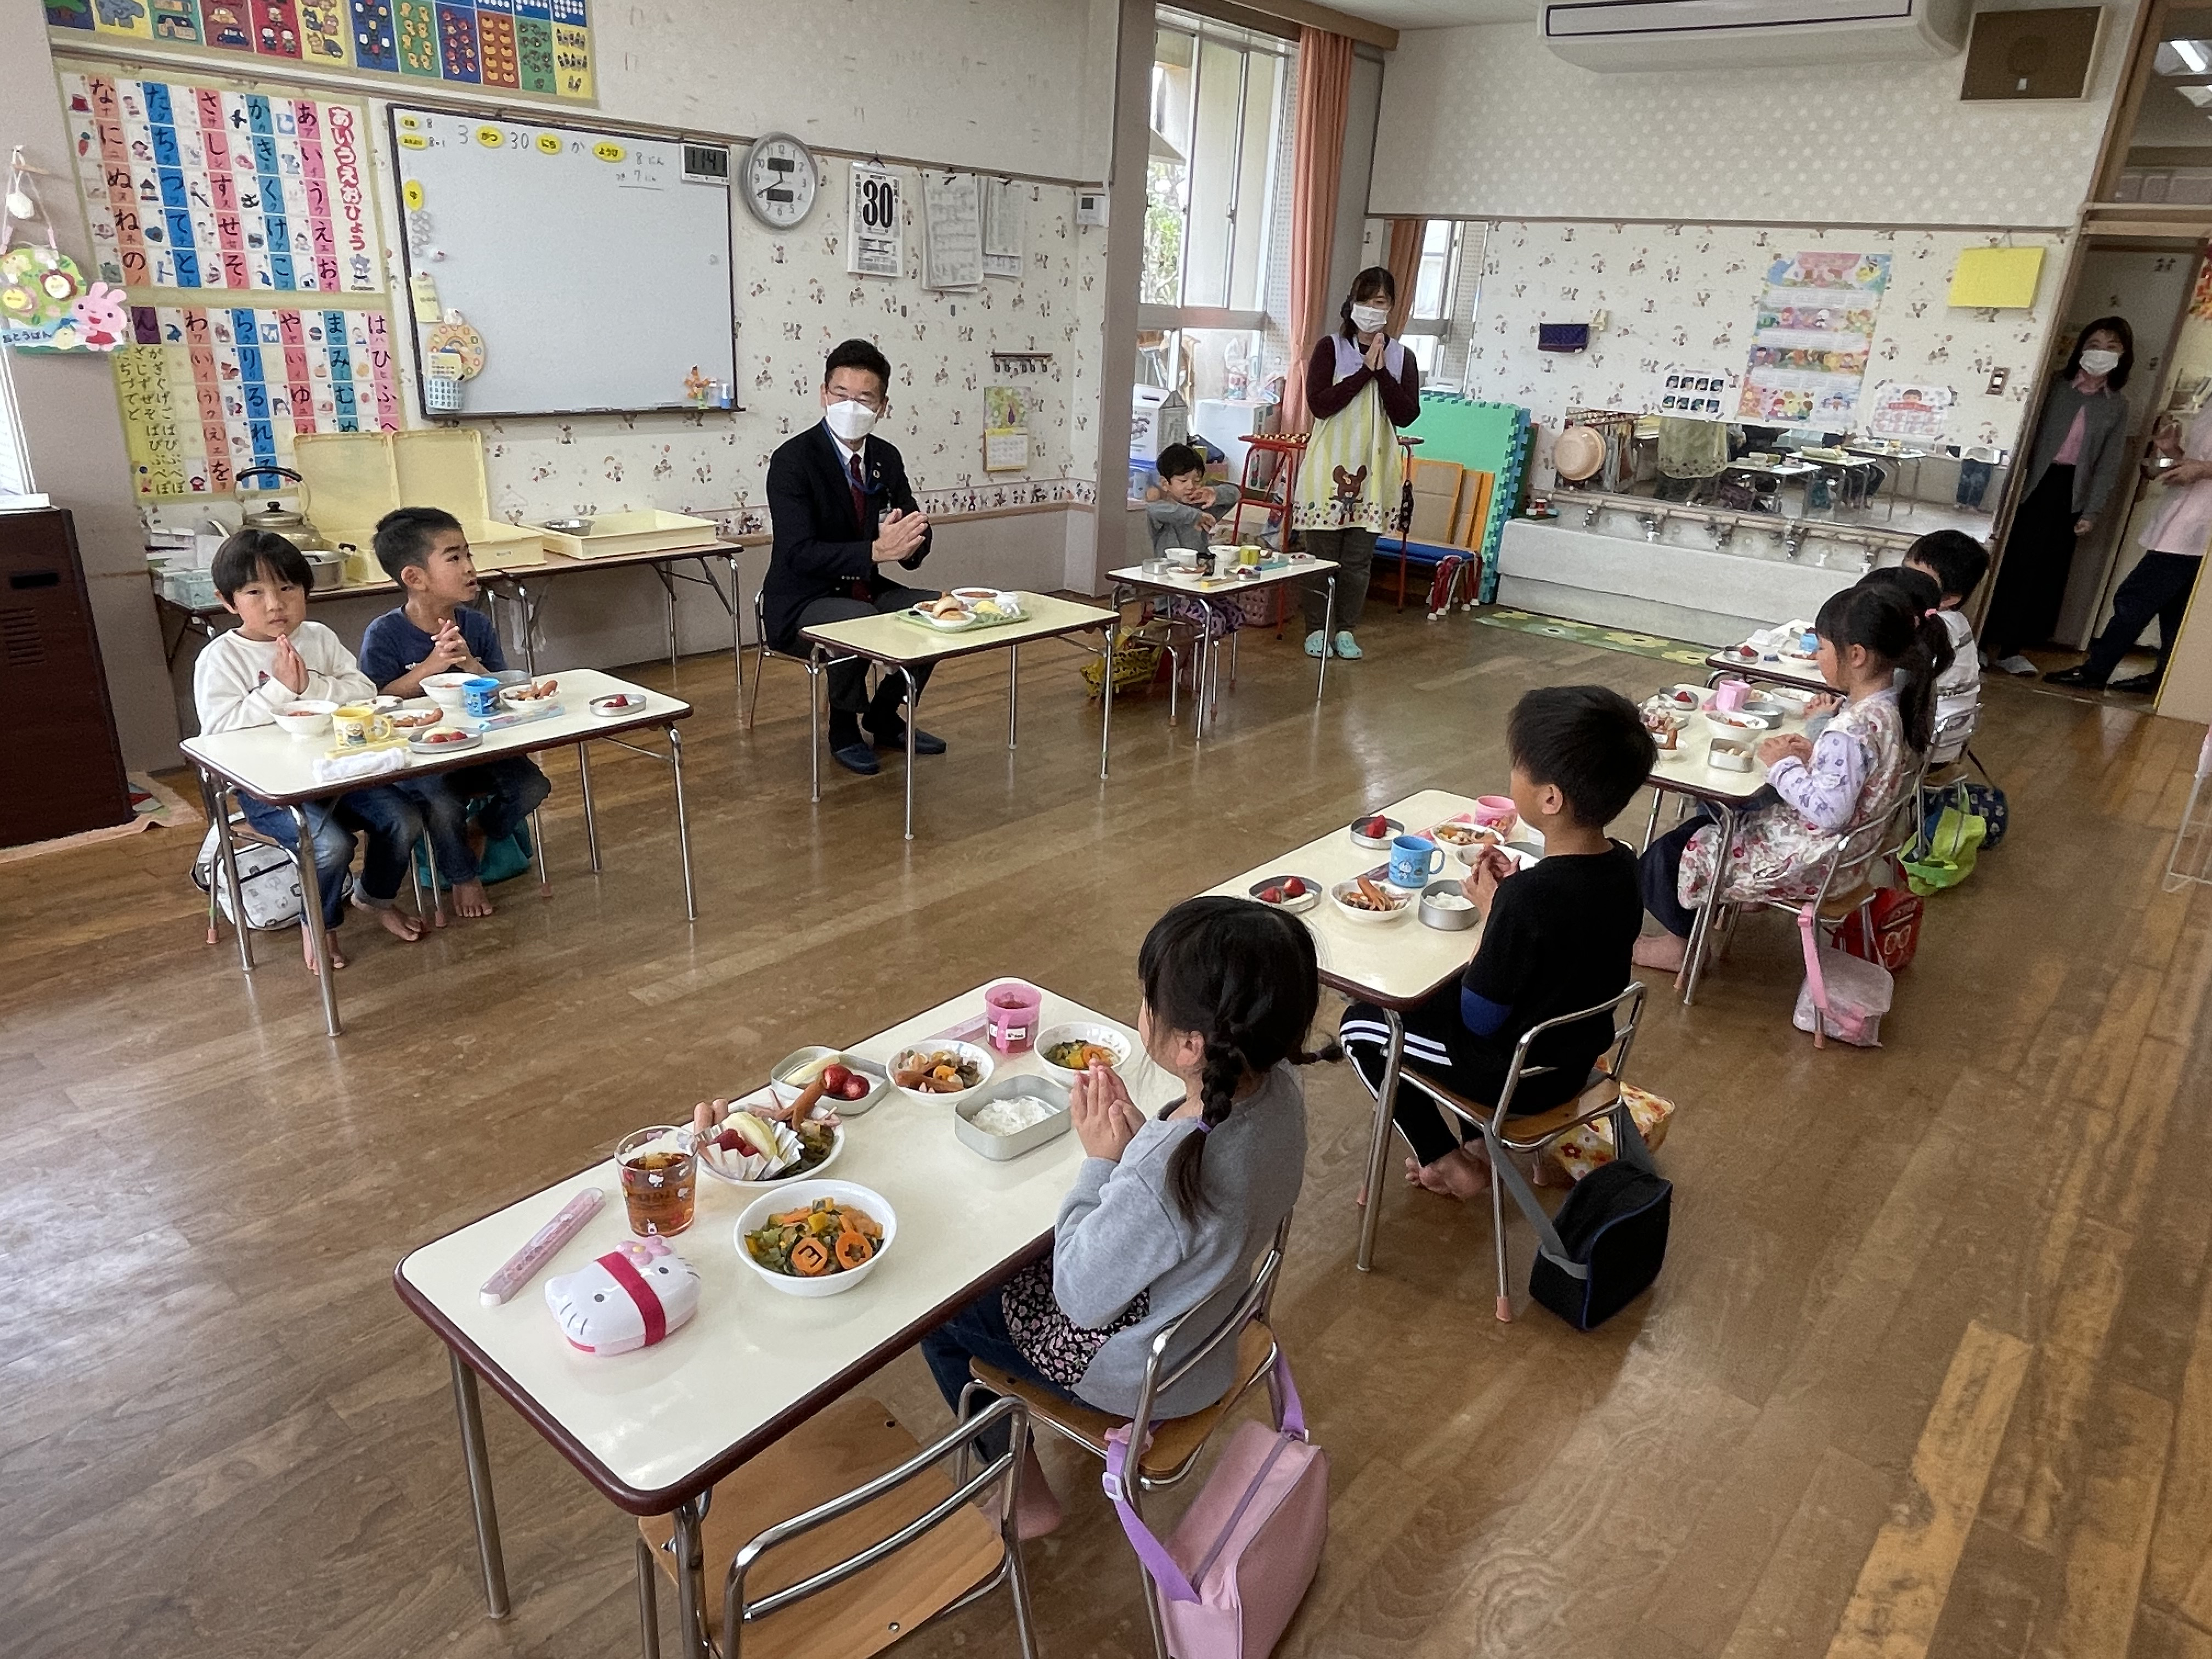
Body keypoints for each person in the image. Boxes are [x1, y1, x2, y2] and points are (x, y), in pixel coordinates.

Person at [828, 898, 1322, 1539]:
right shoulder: (1280, 1094)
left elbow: (1080, 1296)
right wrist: (1141, 1146)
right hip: (1208, 1334)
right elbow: (1188, 1217)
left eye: (1149, 1002)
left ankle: (1023, 1494)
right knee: (1016, 1257)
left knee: (943, 1309)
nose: (1141, 1010)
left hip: (1143, 1376)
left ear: (1188, 1046)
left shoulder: (1165, 1176)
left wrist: (1103, 1164)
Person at [1341, 687, 1652, 1201]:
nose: (1513, 775)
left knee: (1363, 1024)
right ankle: (1485, 1148)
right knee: (1432, 1004)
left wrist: (1493, 915)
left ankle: (1447, 1161)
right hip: (1575, 1063)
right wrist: (1506, 908)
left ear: (1550, 798)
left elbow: (1478, 1016)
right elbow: (1566, 942)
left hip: (1518, 1080)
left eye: (1518, 767)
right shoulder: (1622, 864)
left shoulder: (1531, 896)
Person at [1636, 582, 1950, 972]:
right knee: (1709, 823)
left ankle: (1679, 947)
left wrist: (1782, 765)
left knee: (1670, 853)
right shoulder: (1889, 711)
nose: (1816, 657)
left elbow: (1831, 811)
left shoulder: (1849, 728)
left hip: (1816, 861)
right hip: (1847, 858)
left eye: (1821, 648)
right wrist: (1814, 755)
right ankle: (1707, 913)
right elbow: (1858, 779)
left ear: (1855, 655)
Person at [191, 529, 426, 970]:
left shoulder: (318, 636)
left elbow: (361, 689)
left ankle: (374, 897)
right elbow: (218, 732)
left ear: (306, 591)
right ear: (228, 602)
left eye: (287, 588)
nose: (275, 604)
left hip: (337, 770)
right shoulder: (221, 658)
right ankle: (318, 922)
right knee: (331, 846)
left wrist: (309, 685)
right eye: (255, 592)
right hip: (269, 789)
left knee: (404, 817)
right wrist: (280, 689)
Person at [356, 507, 554, 919]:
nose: (469, 569)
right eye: (454, 558)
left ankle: (482, 828)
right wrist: (431, 666)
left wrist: (470, 666)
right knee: (442, 803)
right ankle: (464, 877)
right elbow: (374, 700)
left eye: (469, 556)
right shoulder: (385, 634)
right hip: (422, 757)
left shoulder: (475, 626)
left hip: (484, 743)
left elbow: (507, 687)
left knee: (532, 786)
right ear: (414, 578)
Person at [762, 338, 940, 777]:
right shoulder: (793, 460)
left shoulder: (884, 458)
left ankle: (882, 717)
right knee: (856, 620)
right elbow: (799, 553)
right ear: (823, 395)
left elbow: (913, 524)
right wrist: (876, 550)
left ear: (882, 406)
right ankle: (842, 729)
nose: (851, 405)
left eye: (864, 398)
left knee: (935, 614)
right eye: (841, 394)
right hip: (801, 599)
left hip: (864, 589)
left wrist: (911, 540)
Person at [1983, 318, 2134, 675]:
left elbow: (2108, 464)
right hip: (2031, 483)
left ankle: (2011, 649)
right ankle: (1979, 641)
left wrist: (2092, 511)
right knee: (2008, 565)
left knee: (2043, 574)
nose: (2101, 352)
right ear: (2081, 347)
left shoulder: (2117, 404)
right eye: (2094, 343)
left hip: (2070, 492)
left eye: (2111, 347)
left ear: (2124, 356)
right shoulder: (2054, 386)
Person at [1293, 266, 1420, 662]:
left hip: (1376, 471)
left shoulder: (1402, 357)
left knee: (1357, 562)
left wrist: (1382, 374)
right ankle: (1317, 628)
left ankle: (1346, 629)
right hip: (1329, 468)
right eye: (1365, 301)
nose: (1371, 309)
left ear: (1392, 308)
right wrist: (1363, 373)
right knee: (1320, 559)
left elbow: (1406, 415)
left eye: (1379, 302)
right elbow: (1319, 404)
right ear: (1352, 303)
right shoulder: (1331, 348)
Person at [2047, 408, 2212, 695]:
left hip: (2198, 530)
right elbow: (2200, 458)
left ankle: (2096, 671)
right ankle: (2164, 679)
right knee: (2175, 610)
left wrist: (2203, 469)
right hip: (2184, 519)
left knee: (2134, 598)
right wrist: (2174, 452)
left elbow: (2205, 465)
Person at [1901, 528, 1991, 764]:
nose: (1902, 585)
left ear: (1948, 598)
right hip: (1947, 745)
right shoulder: (1958, 623)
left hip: (1920, 750)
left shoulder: (1935, 628)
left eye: (1917, 581)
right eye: (1904, 573)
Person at [1144, 442, 1239, 560]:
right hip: (1167, 571)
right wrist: (1195, 516)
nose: (1191, 486)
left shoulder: (1202, 505)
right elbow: (1152, 510)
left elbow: (1236, 494)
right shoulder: (1164, 509)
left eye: (1197, 480)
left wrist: (1215, 494)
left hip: (1199, 569)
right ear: (1165, 484)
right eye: (1183, 481)